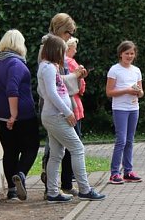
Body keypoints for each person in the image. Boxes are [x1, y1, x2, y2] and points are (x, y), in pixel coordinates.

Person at [36, 34, 105, 203]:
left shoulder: (48, 67)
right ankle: (85, 189)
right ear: (55, 51)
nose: (64, 55)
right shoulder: (48, 68)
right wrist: (68, 112)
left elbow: (57, 87)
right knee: (77, 148)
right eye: (62, 51)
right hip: (56, 116)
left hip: (53, 115)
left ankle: (53, 192)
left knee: (56, 154)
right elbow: (52, 93)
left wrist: (74, 77)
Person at [0, 29, 40, 201]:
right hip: (21, 114)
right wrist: (14, 115)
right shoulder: (16, 64)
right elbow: (12, 89)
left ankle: (12, 189)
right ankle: (21, 175)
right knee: (31, 147)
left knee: (10, 150)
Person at [39, 13, 78, 189]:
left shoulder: (57, 48)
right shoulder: (49, 51)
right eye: (69, 32)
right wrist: (68, 112)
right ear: (62, 29)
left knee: (58, 151)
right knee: (73, 148)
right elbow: (52, 88)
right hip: (55, 110)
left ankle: (59, 187)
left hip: (62, 106)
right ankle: (56, 186)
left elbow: (59, 82)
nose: (71, 36)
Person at [105, 40, 143, 184]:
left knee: (130, 140)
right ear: (121, 54)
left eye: (132, 53)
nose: (129, 56)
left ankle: (128, 171)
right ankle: (114, 173)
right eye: (127, 53)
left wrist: (138, 92)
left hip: (134, 108)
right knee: (121, 140)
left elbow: (141, 91)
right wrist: (126, 90)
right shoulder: (114, 70)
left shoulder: (136, 70)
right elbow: (109, 92)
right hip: (120, 108)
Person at [59, 37, 86, 194]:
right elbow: (78, 87)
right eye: (74, 47)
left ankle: (62, 183)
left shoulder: (57, 64)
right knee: (75, 146)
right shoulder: (71, 63)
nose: (76, 50)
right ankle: (71, 183)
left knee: (60, 149)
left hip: (68, 106)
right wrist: (80, 77)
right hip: (72, 107)